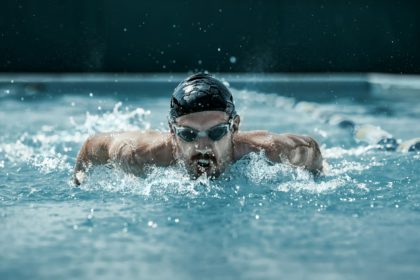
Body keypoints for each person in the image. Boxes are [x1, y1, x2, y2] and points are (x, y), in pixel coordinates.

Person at [74, 73, 324, 185]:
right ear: (172, 131)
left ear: (234, 126)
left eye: (216, 132)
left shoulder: (270, 150)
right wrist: (78, 182)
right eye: (188, 134)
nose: (202, 145)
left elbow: (310, 147)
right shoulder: (138, 153)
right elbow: (92, 146)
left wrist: (317, 174)